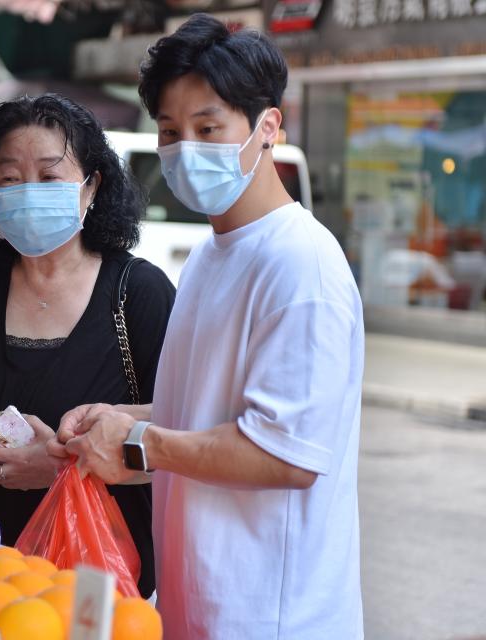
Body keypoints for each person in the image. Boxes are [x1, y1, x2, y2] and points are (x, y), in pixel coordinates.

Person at [53, 14, 365, 638]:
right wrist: (121, 421)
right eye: (170, 131)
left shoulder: (300, 264)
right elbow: (208, 415)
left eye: (208, 128)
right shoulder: (210, 254)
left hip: (270, 617)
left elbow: (285, 453)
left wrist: (140, 442)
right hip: (197, 606)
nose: (184, 149)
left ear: (268, 126)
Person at [0, 94, 176, 597]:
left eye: (50, 177)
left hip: (92, 576)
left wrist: (62, 466)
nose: (28, 192)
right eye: (9, 178)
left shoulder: (138, 292)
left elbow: (181, 435)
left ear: (90, 185)